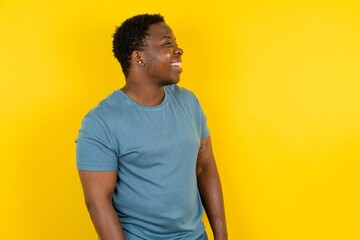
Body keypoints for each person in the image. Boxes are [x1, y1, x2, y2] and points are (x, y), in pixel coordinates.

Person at [76, 13, 227, 240]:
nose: (179, 50)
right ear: (139, 57)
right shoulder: (101, 122)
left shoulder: (189, 102)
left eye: (176, 43)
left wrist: (221, 236)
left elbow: (205, 168)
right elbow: (98, 203)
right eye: (168, 44)